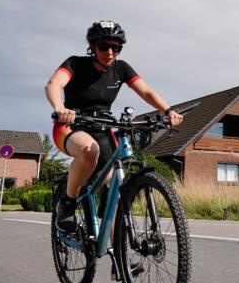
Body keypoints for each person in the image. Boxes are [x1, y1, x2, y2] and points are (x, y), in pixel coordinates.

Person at [45, 21, 182, 233]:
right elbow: (54, 84)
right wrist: (60, 107)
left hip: (103, 127)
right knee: (89, 150)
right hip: (71, 125)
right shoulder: (75, 63)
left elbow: (145, 91)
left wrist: (168, 110)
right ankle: (68, 203)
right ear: (92, 47)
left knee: (116, 189)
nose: (110, 52)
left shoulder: (121, 68)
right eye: (104, 47)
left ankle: (118, 260)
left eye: (116, 47)